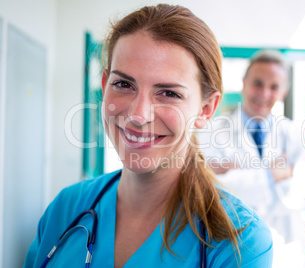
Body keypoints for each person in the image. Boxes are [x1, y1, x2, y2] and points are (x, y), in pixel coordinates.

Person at [23, 4, 273, 268]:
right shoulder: (67, 208)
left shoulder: (241, 242)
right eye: (123, 84)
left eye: (168, 93)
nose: (138, 115)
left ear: (206, 108)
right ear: (105, 85)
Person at [198, 51, 305, 268]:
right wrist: (275, 174)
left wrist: (241, 178)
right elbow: (210, 195)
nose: (264, 93)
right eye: (258, 83)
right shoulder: (213, 132)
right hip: (235, 253)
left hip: (287, 255)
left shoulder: (294, 133)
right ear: (244, 84)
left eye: (274, 87)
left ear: (283, 92)